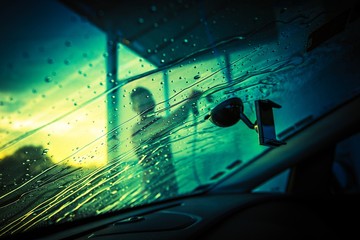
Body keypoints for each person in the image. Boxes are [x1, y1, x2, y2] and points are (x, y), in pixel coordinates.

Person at [130, 87, 202, 200]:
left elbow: (170, 122)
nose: (147, 107)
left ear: (154, 102)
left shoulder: (159, 121)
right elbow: (170, 122)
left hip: (170, 182)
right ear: (134, 108)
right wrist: (189, 101)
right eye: (141, 105)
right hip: (153, 187)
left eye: (149, 102)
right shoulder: (137, 130)